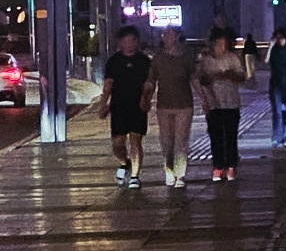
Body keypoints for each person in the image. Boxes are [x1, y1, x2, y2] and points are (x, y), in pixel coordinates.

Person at [143, 27, 195, 186]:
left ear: (177, 36)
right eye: (165, 35)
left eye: (171, 34)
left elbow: (194, 78)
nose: (167, 37)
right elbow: (151, 80)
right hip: (164, 105)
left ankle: (180, 174)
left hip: (184, 104)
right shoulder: (158, 58)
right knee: (167, 140)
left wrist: (205, 99)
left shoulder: (186, 56)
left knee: (181, 139)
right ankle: (168, 168)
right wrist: (146, 97)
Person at [100, 25, 151, 187]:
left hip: (138, 106)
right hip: (118, 106)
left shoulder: (144, 61)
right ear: (120, 42)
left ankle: (135, 176)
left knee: (136, 140)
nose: (128, 44)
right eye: (125, 41)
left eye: (132, 40)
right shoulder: (114, 61)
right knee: (118, 143)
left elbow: (150, 84)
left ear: (137, 42)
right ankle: (124, 162)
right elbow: (108, 84)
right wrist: (103, 104)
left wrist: (146, 99)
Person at [195, 26, 247, 180]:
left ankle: (231, 166)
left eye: (224, 44)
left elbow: (241, 77)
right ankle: (218, 166)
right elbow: (200, 79)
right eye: (218, 44)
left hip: (231, 103)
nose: (221, 47)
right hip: (213, 103)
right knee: (216, 136)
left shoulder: (233, 58)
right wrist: (213, 77)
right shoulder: (206, 60)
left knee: (231, 135)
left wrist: (230, 75)